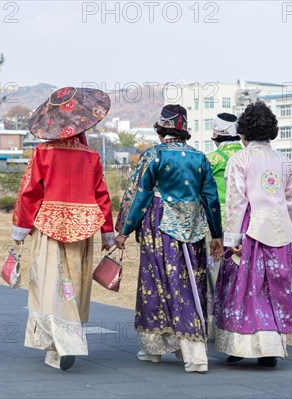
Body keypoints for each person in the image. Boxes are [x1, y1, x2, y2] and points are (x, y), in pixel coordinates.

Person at [114, 104, 223, 373]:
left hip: (159, 226)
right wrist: (217, 234)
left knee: (156, 281)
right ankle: (187, 349)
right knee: (191, 283)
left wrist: (123, 229)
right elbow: (212, 199)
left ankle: (160, 349)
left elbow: (139, 195)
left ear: (161, 128)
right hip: (193, 228)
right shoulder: (200, 158)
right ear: (184, 129)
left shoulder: (154, 155)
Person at [11, 87, 114, 371]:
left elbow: (29, 193)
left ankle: (56, 342)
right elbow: (101, 195)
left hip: (49, 226)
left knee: (49, 283)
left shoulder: (42, 153)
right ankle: (68, 336)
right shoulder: (91, 157)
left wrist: (20, 229)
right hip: (83, 227)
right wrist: (108, 233)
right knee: (74, 283)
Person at [215, 101, 292, 368]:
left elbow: (236, 202)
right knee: (275, 290)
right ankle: (271, 349)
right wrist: (291, 235)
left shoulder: (240, 159)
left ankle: (241, 346)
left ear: (243, 132)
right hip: (281, 232)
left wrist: (232, 239)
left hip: (250, 230)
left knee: (247, 290)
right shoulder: (285, 163)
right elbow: (291, 204)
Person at [204, 113, 242, 337]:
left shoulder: (211, 159)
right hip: (246, 222)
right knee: (240, 273)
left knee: (214, 273)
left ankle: (215, 327)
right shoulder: (248, 156)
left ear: (216, 133)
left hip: (216, 223)